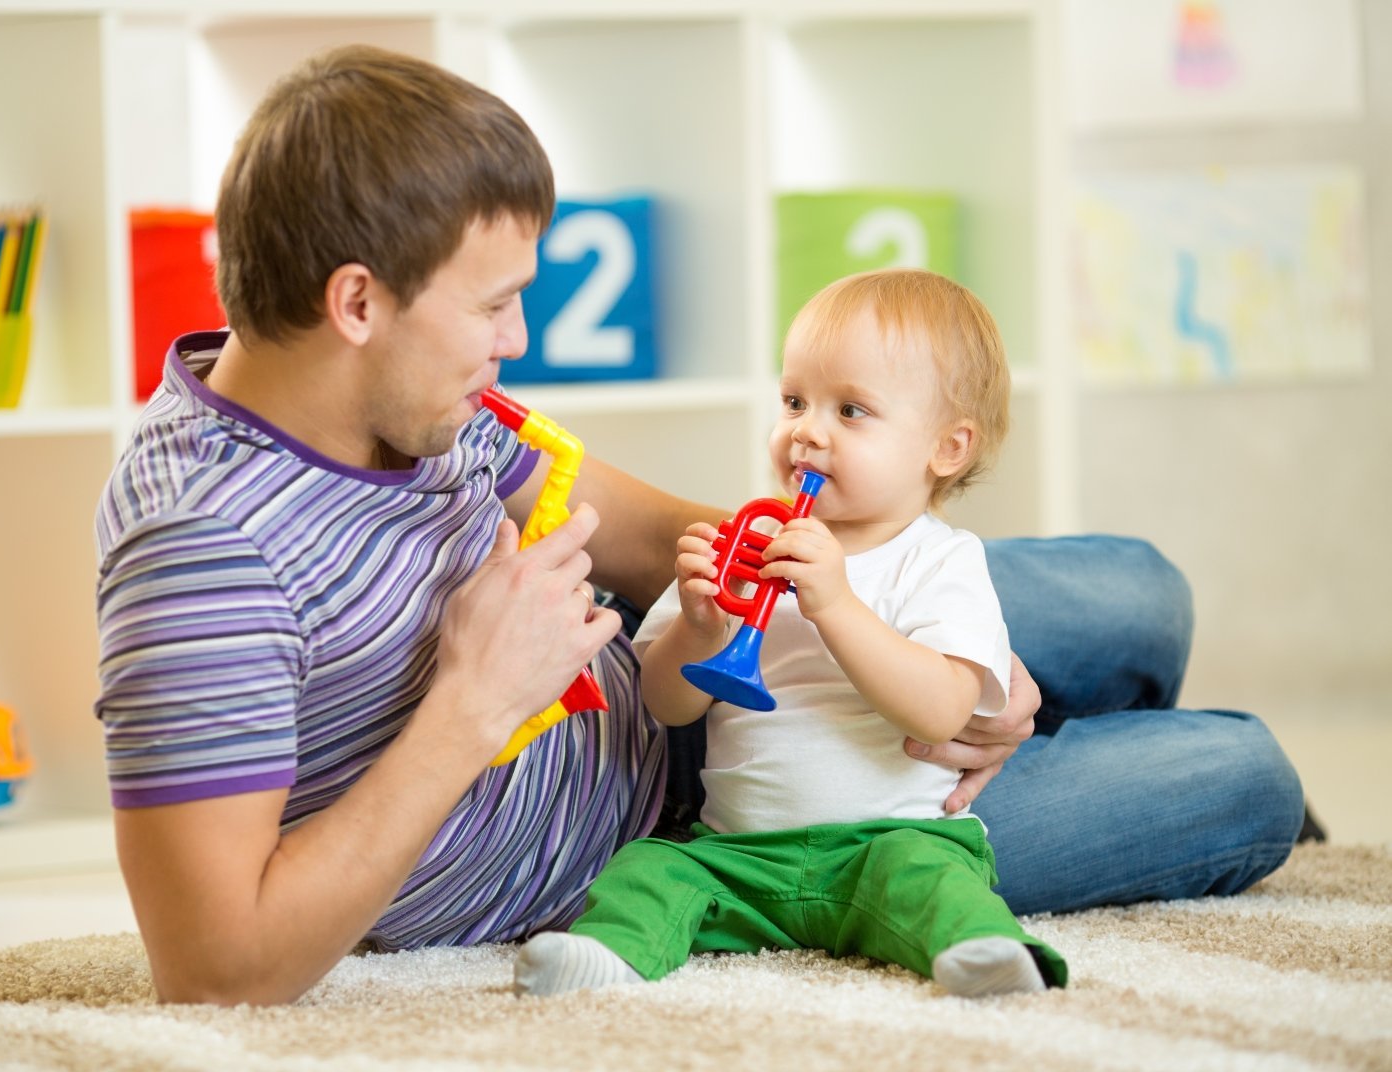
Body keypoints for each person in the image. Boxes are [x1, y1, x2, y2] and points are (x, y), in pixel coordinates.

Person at [92, 44, 1303, 1008]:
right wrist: (474, 700)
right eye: (499, 303)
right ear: (357, 300)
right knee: (1240, 777)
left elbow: (630, 523)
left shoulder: (399, 390)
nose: (518, 342)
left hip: (674, 661)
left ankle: (1036, 709)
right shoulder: (204, 550)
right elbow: (216, 966)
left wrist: (917, 628)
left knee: (1141, 594)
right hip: (713, 832)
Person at [514, 269, 1068, 998]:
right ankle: (606, 957)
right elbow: (666, 705)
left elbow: (940, 712)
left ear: (947, 449)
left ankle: (983, 951)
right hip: (737, 853)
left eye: (852, 410)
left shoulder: (943, 560)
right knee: (651, 871)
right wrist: (701, 629)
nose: (807, 430)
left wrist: (836, 604)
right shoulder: (747, 541)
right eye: (795, 401)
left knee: (939, 885)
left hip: (891, 843)